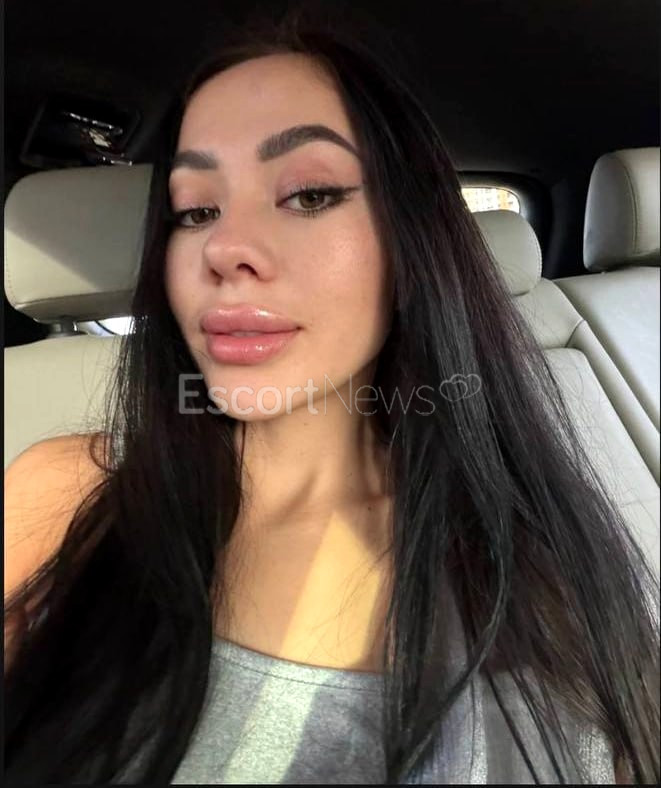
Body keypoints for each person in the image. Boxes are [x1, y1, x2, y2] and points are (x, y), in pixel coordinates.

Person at [4, 3, 659, 784]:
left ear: (410, 242)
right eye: (194, 211)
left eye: (309, 194)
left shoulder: (548, 558)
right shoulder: (62, 499)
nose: (224, 248)